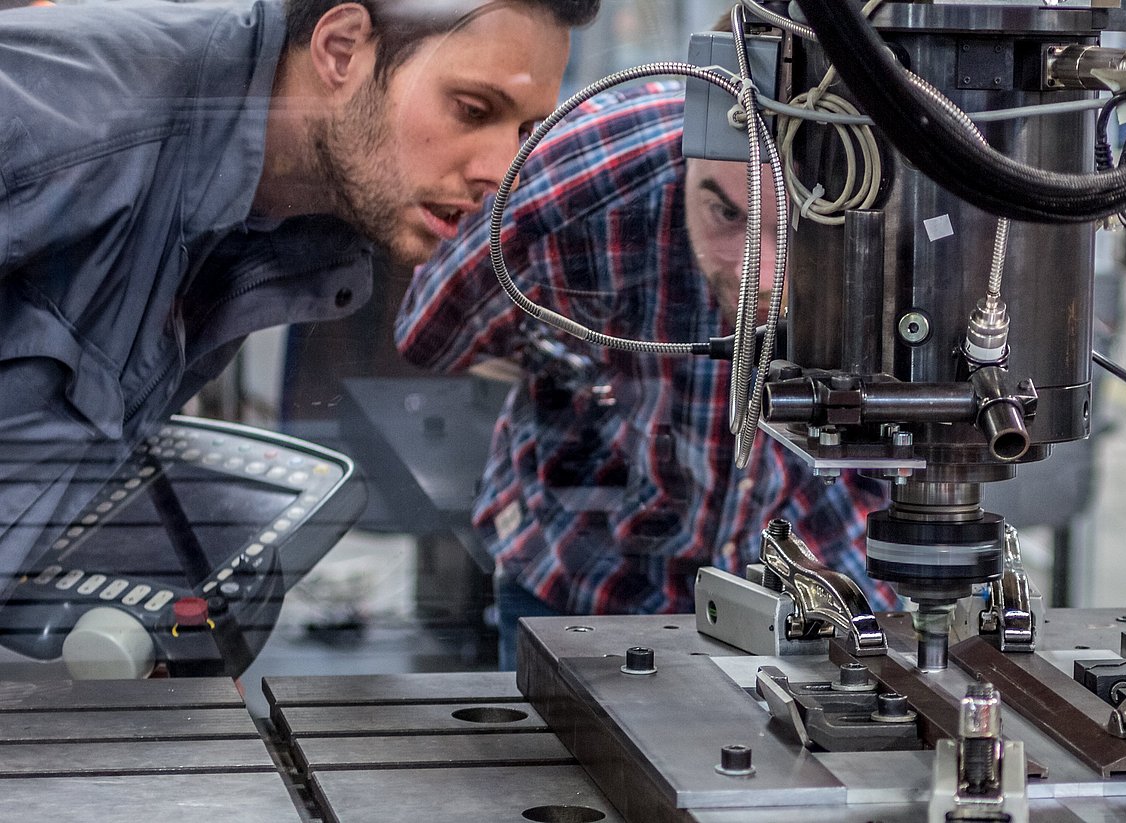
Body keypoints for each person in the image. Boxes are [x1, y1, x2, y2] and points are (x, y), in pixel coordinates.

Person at [0, 0, 599, 590]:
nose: (502, 171)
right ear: (340, 50)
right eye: (471, 109)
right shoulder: (60, 112)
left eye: (524, 130)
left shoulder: (293, 207)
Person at [395, 83, 897, 667]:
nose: (761, 274)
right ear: (689, 161)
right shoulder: (586, 180)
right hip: (587, 577)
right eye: (726, 214)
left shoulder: (908, 190)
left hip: (821, 572)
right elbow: (428, 336)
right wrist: (554, 334)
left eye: (800, 225)